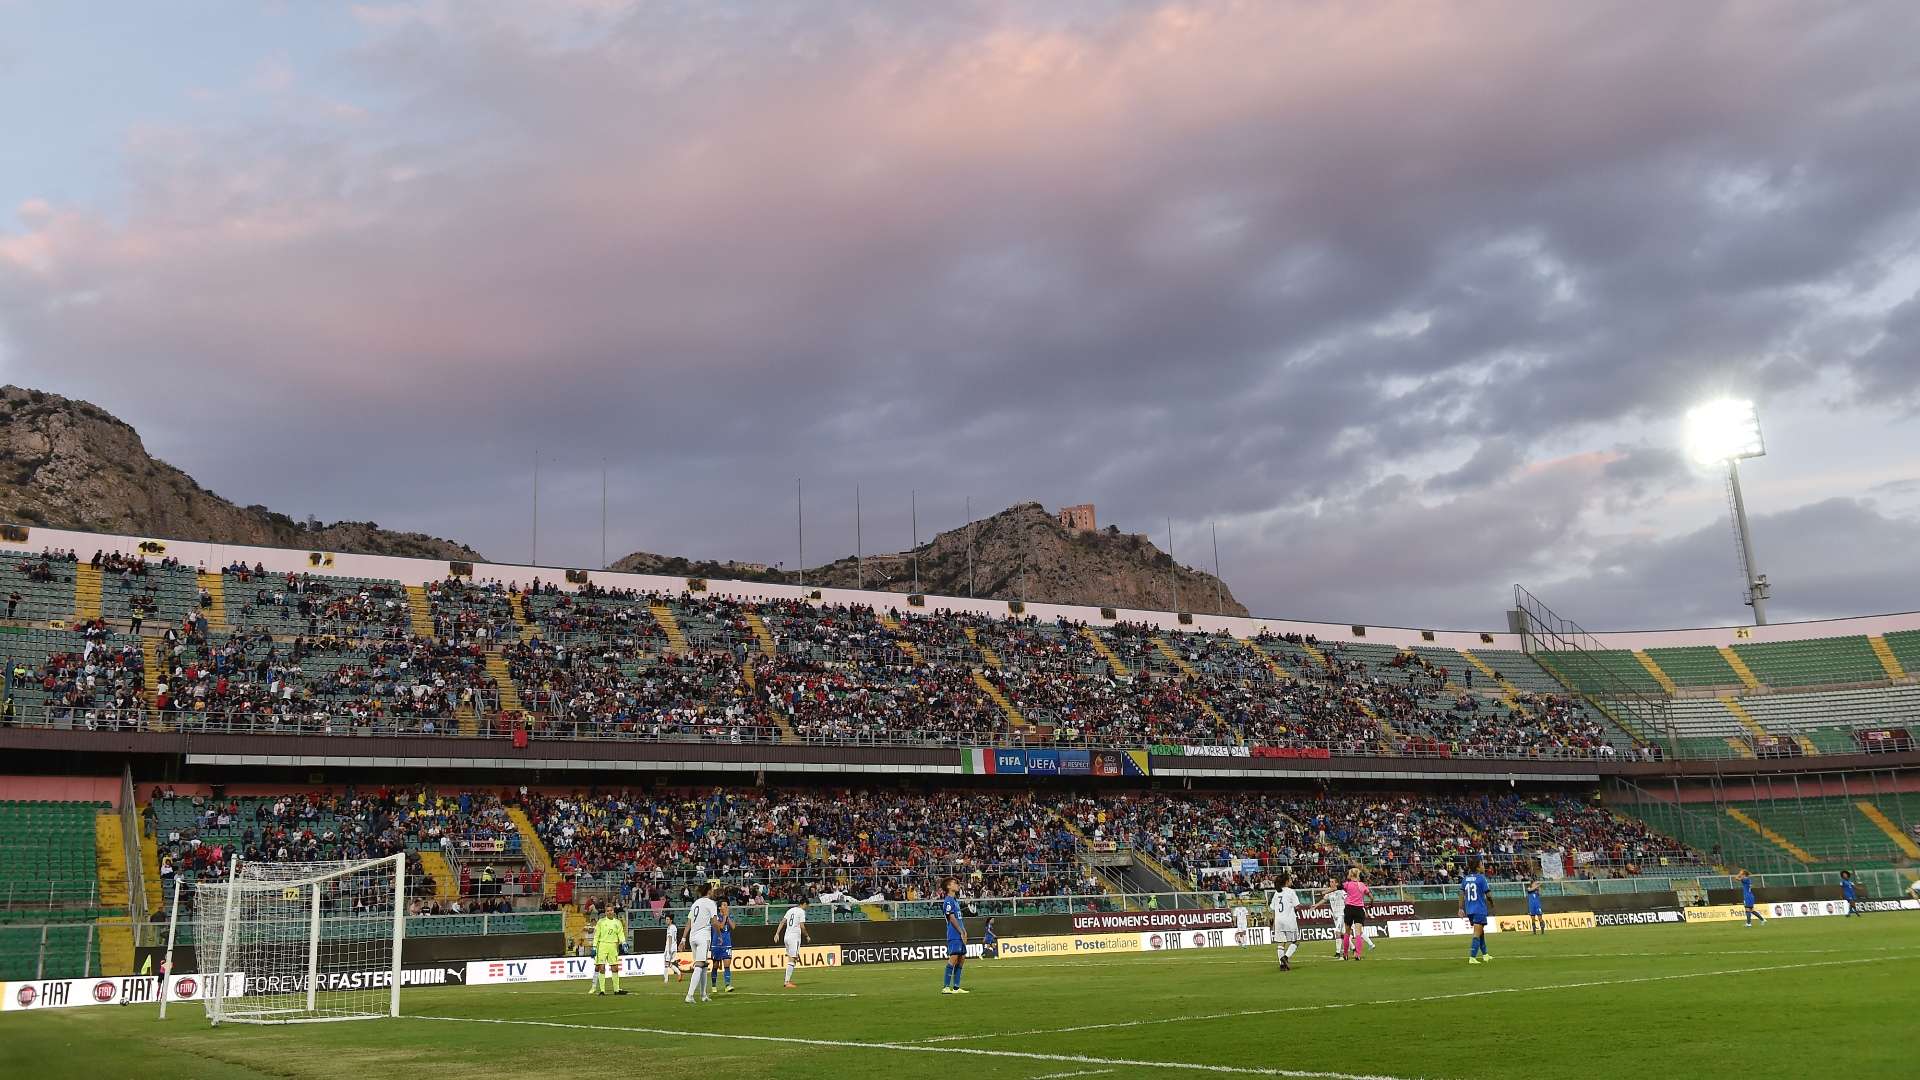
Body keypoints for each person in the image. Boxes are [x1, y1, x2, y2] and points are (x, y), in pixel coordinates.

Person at [685, 881, 720, 1004]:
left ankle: (704, 995)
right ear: (709, 891)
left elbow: (689, 922)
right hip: (702, 936)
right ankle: (689, 995)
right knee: (699, 965)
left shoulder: (695, 903)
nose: (713, 891)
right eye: (712, 889)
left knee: (704, 965)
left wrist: (683, 939)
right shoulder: (711, 903)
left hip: (692, 937)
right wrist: (719, 935)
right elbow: (715, 922)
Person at [590, 903, 628, 995]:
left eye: (611, 910)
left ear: (613, 911)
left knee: (615, 968)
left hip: (613, 946)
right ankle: (602, 990)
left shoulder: (617, 922)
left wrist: (623, 943)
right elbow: (596, 935)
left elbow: (620, 934)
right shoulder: (601, 922)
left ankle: (616, 990)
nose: (609, 912)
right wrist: (594, 947)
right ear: (605, 912)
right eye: (607, 911)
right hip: (602, 945)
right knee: (602, 967)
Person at [940, 876, 969, 995]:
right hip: (954, 933)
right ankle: (946, 987)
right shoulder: (948, 900)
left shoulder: (955, 901)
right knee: (954, 958)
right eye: (954, 883)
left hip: (960, 932)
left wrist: (964, 930)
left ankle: (956, 987)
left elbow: (958, 918)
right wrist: (960, 931)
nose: (957, 885)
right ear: (948, 887)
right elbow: (951, 917)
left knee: (961, 959)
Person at [1460, 858, 1492, 964]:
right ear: (1478, 867)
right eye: (1482, 864)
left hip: (1470, 910)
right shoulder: (1481, 878)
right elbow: (1488, 894)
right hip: (1479, 909)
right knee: (1477, 934)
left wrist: (1460, 908)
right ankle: (1472, 957)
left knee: (1480, 932)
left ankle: (1485, 955)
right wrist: (1492, 903)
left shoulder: (1465, 879)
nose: (1483, 866)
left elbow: (1461, 894)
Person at [1269, 871, 1301, 971]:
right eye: (1290, 879)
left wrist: (1273, 923)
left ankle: (1282, 965)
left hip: (1278, 921)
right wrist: (1296, 909)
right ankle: (1285, 957)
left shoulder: (1276, 893)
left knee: (1281, 943)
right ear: (1287, 881)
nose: (1291, 881)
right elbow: (1297, 906)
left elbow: (1272, 909)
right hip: (1289, 920)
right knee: (1296, 941)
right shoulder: (1291, 891)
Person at [777, 899, 810, 988]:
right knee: (792, 959)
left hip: (786, 937)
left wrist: (777, 933)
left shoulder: (790, 910)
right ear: (804, 904)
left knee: (792, 959)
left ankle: (787, 980)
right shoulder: (801, 912)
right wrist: (807, 936)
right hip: (794, 937)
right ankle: (786, 982)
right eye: (807, 905)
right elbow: (802, 926)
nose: (807, 907)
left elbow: (782, 922)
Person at [1341, 868, 1371, 960]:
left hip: (1349, 908)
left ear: (1350, 875)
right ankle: (1357, 954)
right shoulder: (1362, 885)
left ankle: (1345, 954)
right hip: (1359, 909)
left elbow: (1338, 887)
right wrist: (1371, 903)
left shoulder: (1347, 884)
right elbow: (1370, 895)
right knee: (1358, 933)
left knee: (1347, 932)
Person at [714, 900, 737, 994]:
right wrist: (724, 917)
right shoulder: (716, 917)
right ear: (719, 907)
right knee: (715, 966)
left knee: (727, 965)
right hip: (717, 944)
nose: (726, 907)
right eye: (724, 905)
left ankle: (727, 985)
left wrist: (727, 917)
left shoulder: (728, 916)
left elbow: (733, 926)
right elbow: (721, 927)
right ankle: (713, 985)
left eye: (727, 905)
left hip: (727, 943)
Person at [1324, 877, 1348, 959]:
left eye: (1332, 881)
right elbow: (1324, 899)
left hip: (1341, 914)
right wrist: (1315, 905)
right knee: (1342, 934)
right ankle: (1353, 948)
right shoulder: (1330, 892)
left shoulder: (1341, 891)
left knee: (1337, 932)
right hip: (1335, 915)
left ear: (1337, 883)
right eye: (1330, 881)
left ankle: (1338, 952)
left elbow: (1347, 899)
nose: (1331, 883)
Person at [661, 914, 682, 984]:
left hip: (669, 948)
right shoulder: (674, 927)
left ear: (671, 920)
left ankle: (666, 980)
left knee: (666, 964)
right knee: (669, 964)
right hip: (674, 947)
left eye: (667, 919)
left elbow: (670, 938)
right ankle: (679, 973)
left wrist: (669, 948)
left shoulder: (670, 928)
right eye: (666, 919)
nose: (666, 921)